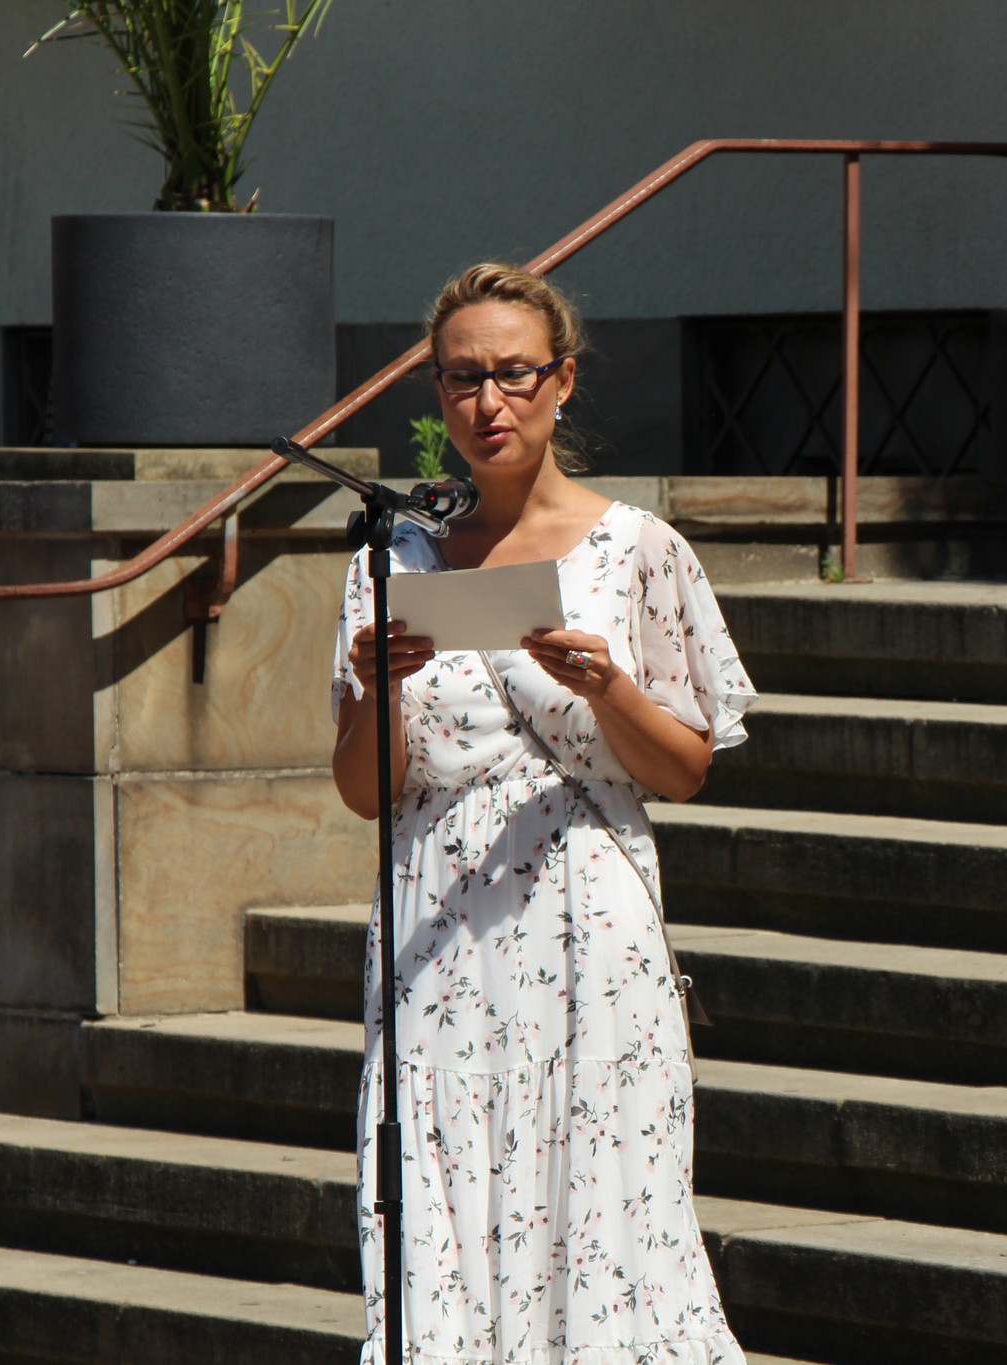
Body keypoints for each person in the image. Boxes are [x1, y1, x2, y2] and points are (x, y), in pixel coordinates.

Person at [331, 263, 754, 1364]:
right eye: (462, 379)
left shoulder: (638, 549)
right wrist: (379, 687)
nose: (488, 403)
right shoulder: (395, 552)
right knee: (443, 1200)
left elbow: (686, 770)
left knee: (605, 1207)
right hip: (436, 928)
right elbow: (362, 792)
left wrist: (606, 687)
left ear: (561, 382)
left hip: (584, 918)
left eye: (514, 375)